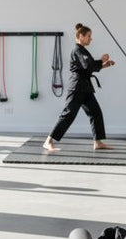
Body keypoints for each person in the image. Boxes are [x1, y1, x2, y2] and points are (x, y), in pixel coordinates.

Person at [43, 23, 115, 152]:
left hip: (85, 87)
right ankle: (48, 141)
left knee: (95, 113)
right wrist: (102, 60)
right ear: (80, 36)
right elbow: (88, 65)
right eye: (88, 36)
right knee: (68, 114)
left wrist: (104, 65)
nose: (90, 39)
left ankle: (98, 142)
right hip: (77, 87)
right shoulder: (77, 50)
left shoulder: (82, 50)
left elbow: (89, 67)